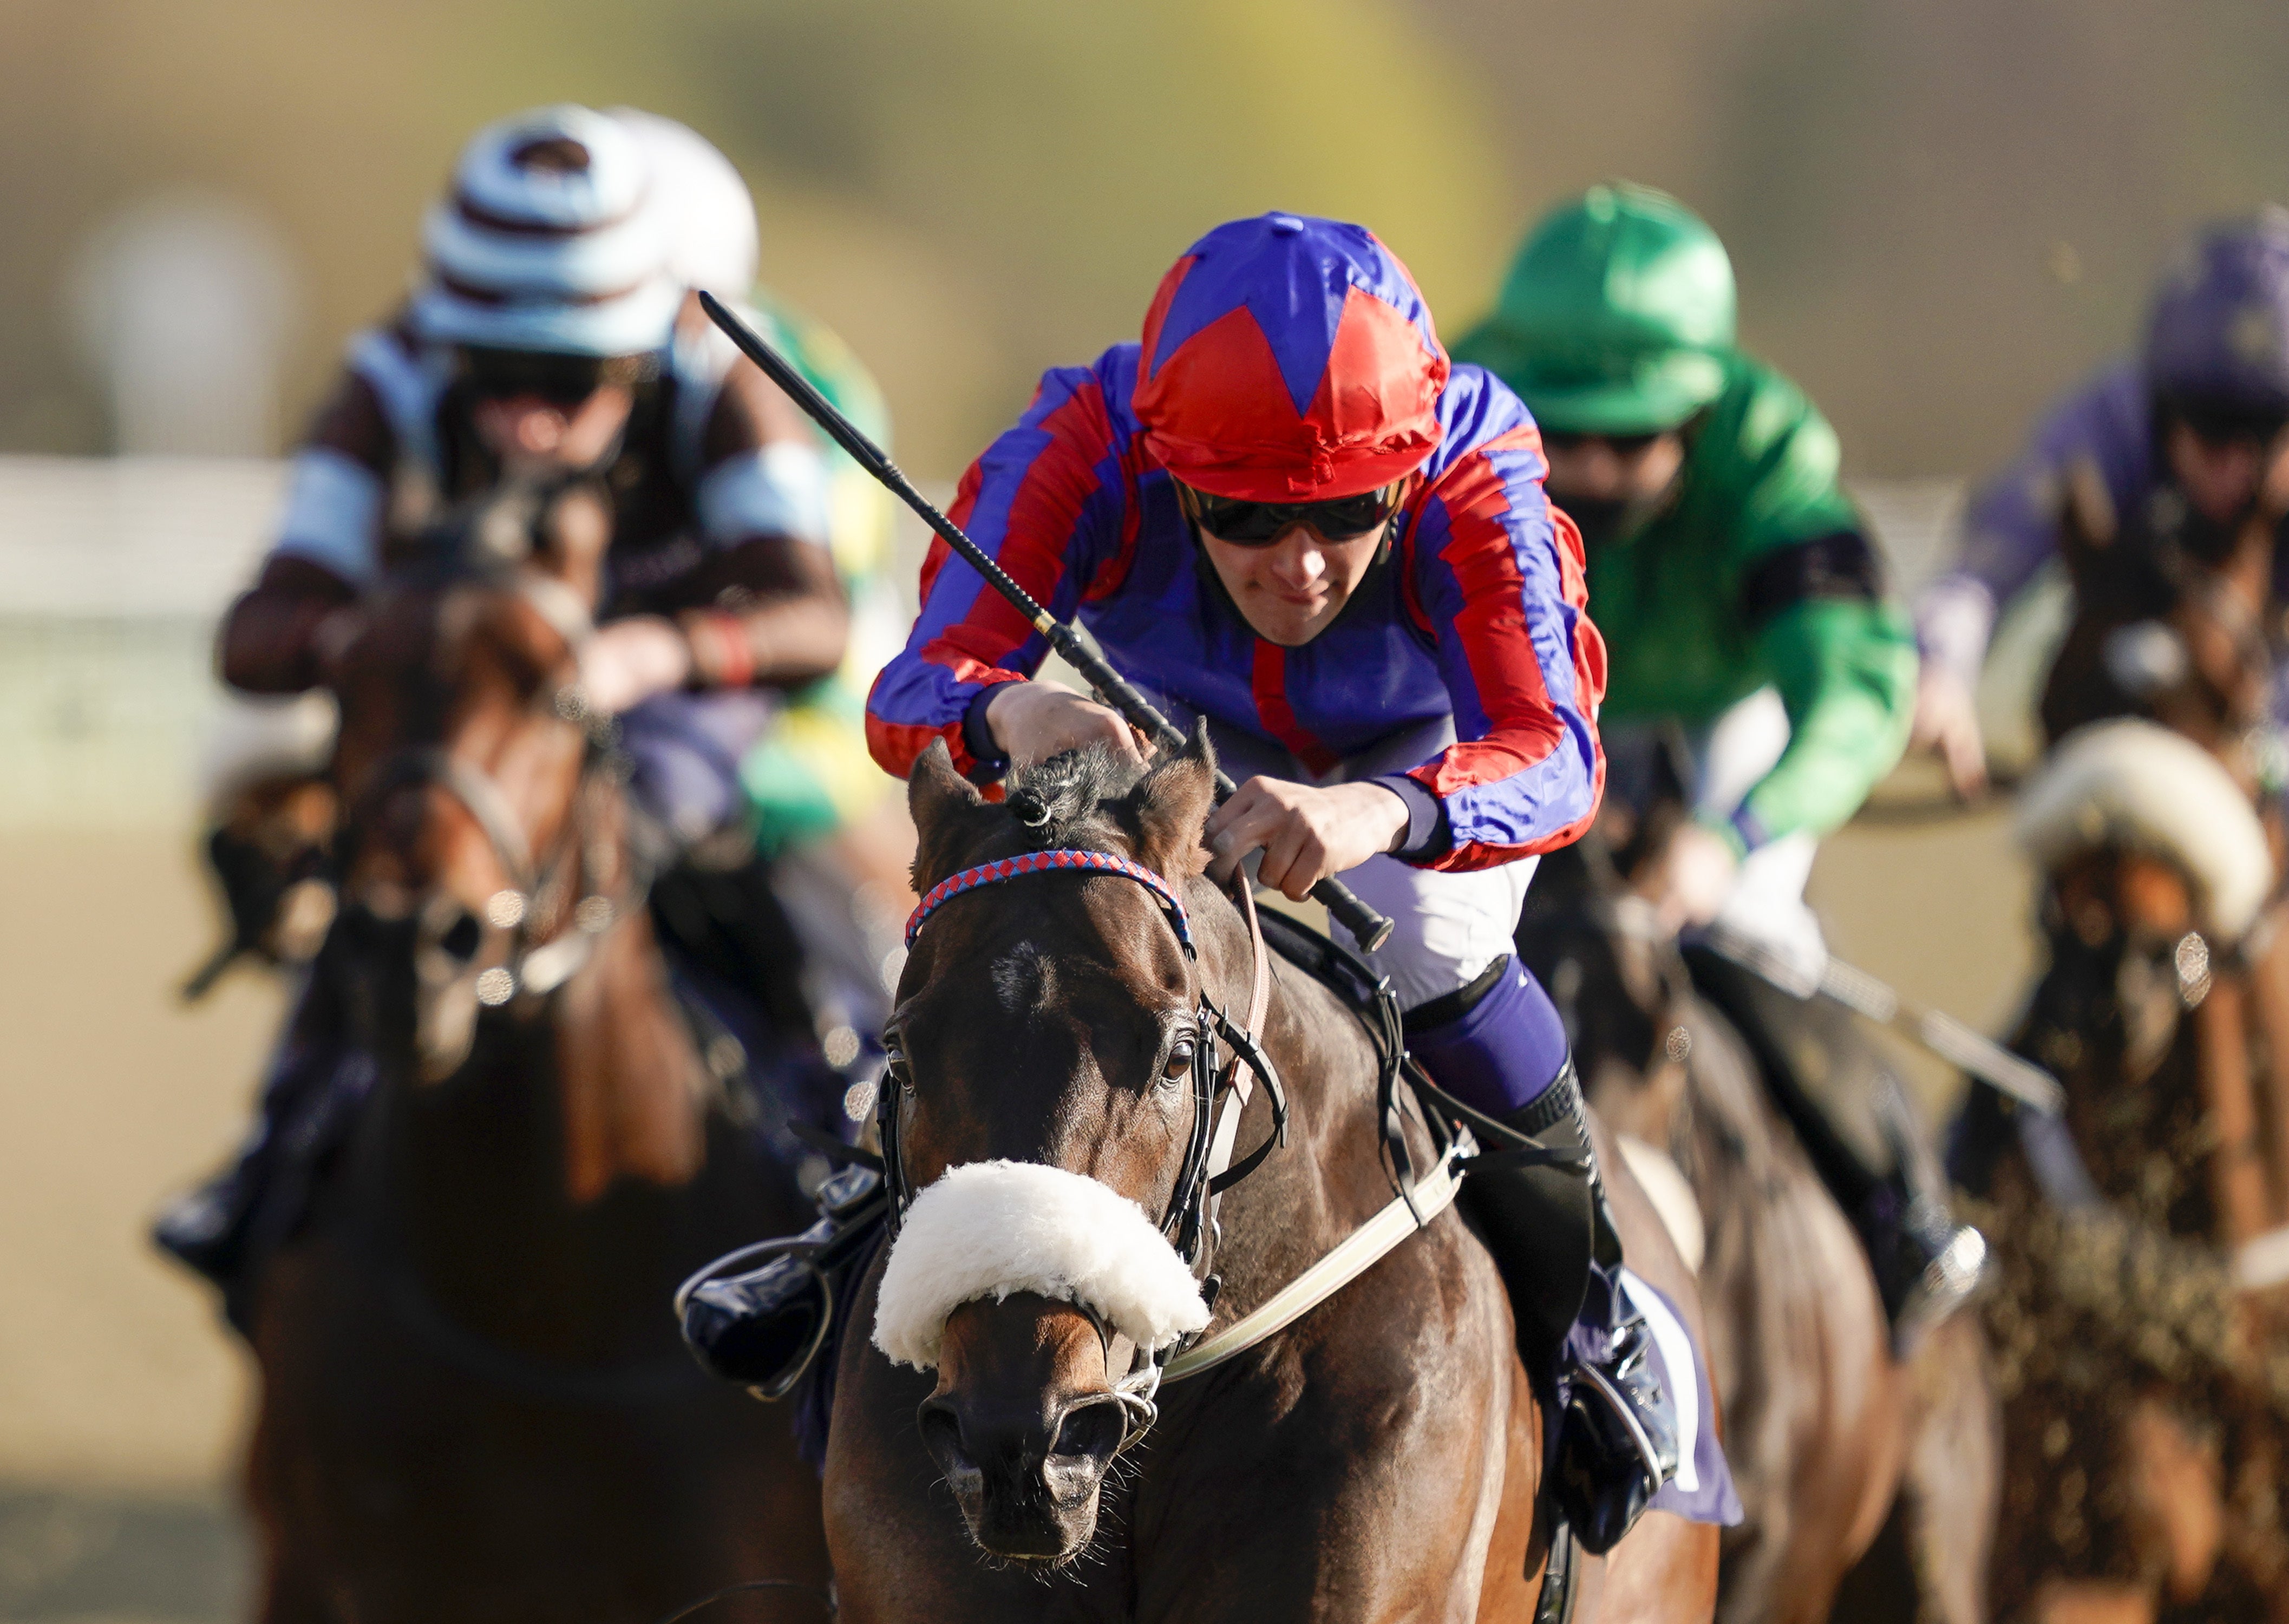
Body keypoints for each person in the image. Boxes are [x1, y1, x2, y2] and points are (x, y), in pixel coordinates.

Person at [692, 212, 1738, 1552]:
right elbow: (913, 686)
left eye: (1349, 513)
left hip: (1411, 758)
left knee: (1429, 949)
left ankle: (1586, 1310)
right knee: (1012, 940)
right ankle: (850, 1234)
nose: (1300, 565)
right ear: (1172, 468)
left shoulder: (1474, 457)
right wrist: (1010, 712)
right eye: (1244, 516)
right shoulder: (1083, 434)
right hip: (1164, 729)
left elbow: (1550, 749)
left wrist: (1383, 809)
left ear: (1402, 473)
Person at [154, 103, 859, 1298]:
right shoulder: (389, 377)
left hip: (665, 698)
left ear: (642, 346)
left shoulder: (721, 374)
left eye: (570, 380)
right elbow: (256, 634)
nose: (528, 418)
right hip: (460, 702)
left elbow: (814, 615)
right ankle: (275, 1149)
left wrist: (651, 654)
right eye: (497, 376)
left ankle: (847, 1134)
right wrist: (364, 636)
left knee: (720, 853)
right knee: (391, 884)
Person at [1451, 183, 1986, 1351]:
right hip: (1523, 707)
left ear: (1699, 414)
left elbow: (1853, 685)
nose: (1587, 469)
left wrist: (1736, 833)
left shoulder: (1770, 457)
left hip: (1716, 720)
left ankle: (1899, 1203)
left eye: (1628, 438)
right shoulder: (1451, 406)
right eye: (1563, 431)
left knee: (1742, 928)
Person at [1909, 209, 2289, 791]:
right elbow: (1982, 572)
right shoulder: (2108, 426)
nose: (2231, 465)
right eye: (2210, 428)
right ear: (2164, 402)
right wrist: (1939, 671)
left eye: (2260, 432)